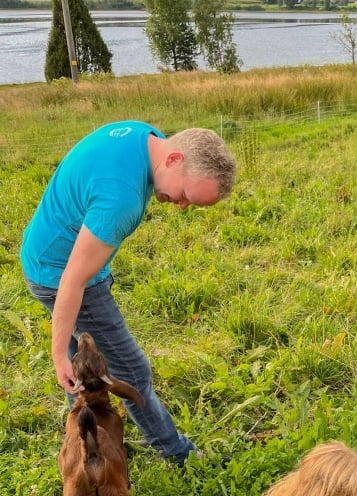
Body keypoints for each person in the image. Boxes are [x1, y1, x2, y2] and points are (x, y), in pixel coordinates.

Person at [21, 120, 236, 464]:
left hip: (43, 252)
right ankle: (177, 453)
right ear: (174, 159)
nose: (180, 206)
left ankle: (88, 444)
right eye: (185, 196)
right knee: (133, 372)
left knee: (83, 369)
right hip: (58, 273)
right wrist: (58, 353)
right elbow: (73, 280)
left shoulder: (142, 135)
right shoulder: (122, 200)